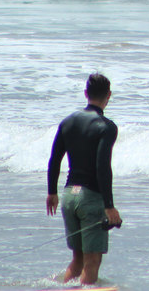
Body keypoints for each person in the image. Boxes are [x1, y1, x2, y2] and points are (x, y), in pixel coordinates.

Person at [46, 73, 122, 285]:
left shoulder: (67, 122)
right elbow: (102, 166)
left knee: (78, 259)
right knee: (92, 261)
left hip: (69, 196)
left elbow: (54, 160)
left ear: (86, 94)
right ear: (108, 96)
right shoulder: (106, 127)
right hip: (90, 199)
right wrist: (109, 206)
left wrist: (52, 192)